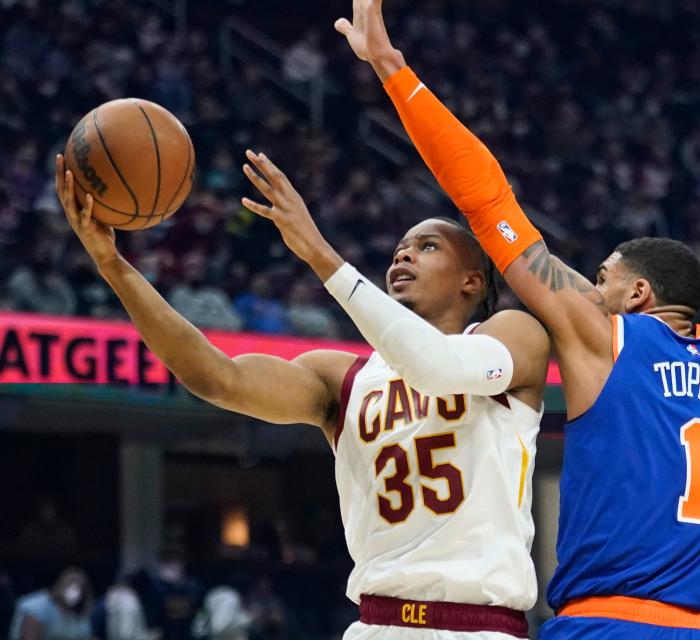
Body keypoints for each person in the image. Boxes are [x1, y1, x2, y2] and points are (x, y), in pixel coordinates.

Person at [333, 2, 700, 637]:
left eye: (601, 280)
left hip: (609, 624)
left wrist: (395, 72)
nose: (589, 292)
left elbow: (486, 201)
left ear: (639, 293)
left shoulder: (606, 337)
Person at [54, 135, 549, 639]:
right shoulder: (341, 378)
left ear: (472, 281)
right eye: (399, 249)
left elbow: (437, 368)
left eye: (426, 247)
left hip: (479, 626)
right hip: (375, 624)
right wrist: (113, 266)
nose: (403, 256)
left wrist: (320, 255)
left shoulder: (513, 335)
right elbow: (214, 376)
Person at [8, 567, 94, 640]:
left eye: (79, 588)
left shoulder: (80, 613)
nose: (74, 593)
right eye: (71, 585)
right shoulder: (38, 607)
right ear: (61, 585)